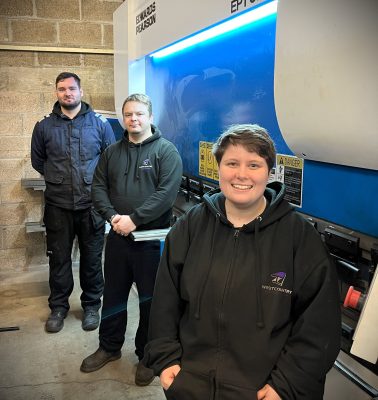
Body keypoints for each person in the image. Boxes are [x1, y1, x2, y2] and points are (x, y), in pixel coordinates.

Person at [143, 124, 341, 399]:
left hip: (261, 391)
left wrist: (286, 385)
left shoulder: (299, 238)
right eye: (232, 163)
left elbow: (319, 327)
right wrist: (165, 359)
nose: (241, 174)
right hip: (191, 386)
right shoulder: (191, 226)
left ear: (269, 172)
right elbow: (165, 299)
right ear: (219, 168)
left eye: (254, 165)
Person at [80, 93, 183, 386]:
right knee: (113, 293)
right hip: (117, 237)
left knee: (152, 301)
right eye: (128, 115)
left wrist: (134, 218)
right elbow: (97, 186)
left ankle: (147, 356)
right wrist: (113, 217)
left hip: (151, 240)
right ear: (123, 118)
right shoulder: (112, 152)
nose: (133, 119)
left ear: (150, 117)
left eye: (139, 114)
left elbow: (166, 194)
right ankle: (109, 347)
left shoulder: (166, 152)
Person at [31, 72, 115, 333]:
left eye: (71, 88)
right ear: (56, 93)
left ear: (80, 91)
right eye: (61, 89)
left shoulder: (99, 125)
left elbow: (109, 160)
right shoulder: (44, 126)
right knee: (59, 259)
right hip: (58, 206)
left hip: (91, 206)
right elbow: (38, 161)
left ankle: (91, 306)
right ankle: (58, 307)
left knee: (91, 259)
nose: (67, 93)